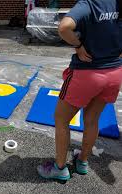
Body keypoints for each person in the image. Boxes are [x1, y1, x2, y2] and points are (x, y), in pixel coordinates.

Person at [37, 0, 122, 181]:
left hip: (87, 73)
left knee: (61, 119)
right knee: (92, 120)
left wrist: (78, 45)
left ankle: (59, 168)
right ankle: (82, 161)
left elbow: (64, 27)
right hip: (114, 73)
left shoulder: (89, 3)